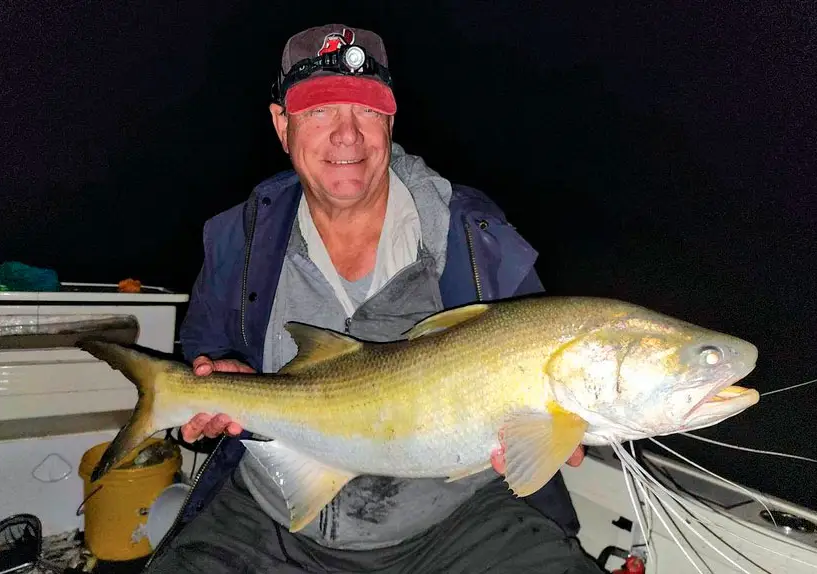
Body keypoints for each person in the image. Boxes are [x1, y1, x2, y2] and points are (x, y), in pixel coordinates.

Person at [144, 23, 602, 574]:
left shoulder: (475, 236)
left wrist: (545, 443)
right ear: (281, 124)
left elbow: (544, 384)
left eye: (365, 110)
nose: (346, 135)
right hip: (267, 517)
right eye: (318, 110)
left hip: (456, 524)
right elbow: (205, 341)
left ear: (390, 119)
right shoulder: (234, 237)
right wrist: (220, 373)